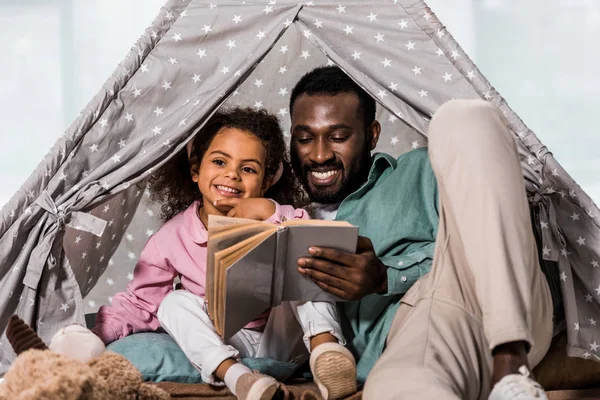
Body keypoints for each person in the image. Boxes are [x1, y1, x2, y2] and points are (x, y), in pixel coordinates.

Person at [288, 66, 554, 400]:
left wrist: (386, 276)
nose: (320, 153)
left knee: (462, 118)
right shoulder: (284, 221)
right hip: (405, 349)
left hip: (488, 305)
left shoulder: (420, 170)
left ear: (371, 135)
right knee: (394, 391)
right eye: (304, 138)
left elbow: (491, 235)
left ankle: (511, 366)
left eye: (338, 137)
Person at [92, 108, 358, 400]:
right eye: (219, 162)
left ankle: (327, 352)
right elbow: (139, 303)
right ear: (195, 170)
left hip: (287, 339)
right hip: (228, 341)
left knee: (306, 258)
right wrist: (97, 335)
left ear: (266, 181)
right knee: (172, 302)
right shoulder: (171, 237)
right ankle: (239, 378)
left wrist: (269, 212)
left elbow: (318, 245)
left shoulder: (279, 215)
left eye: (248, 169)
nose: (231, 174)